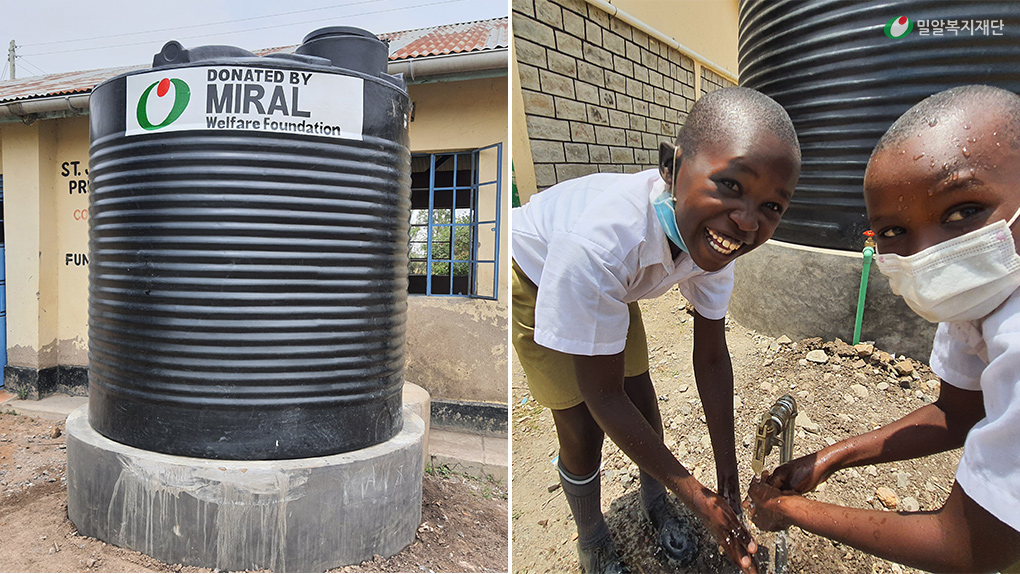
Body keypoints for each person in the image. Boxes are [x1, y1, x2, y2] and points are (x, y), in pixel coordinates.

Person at [512, 86, 801, 574]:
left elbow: (711, 359)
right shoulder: (601, 244)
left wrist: (726, 485)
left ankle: (656, 504)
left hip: (615, 286)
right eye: (731, 185)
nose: (747, 222)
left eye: (772, 206)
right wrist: (698, 498)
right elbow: (600, 393)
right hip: (539, 275)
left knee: (642, 400)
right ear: (672, 166)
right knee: (582, 426)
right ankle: (592, 538)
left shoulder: (720, 240)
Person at [745, 85, 1020, 573]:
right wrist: (828, 459)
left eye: (963, 212)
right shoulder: (979, 298)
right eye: (893, 232)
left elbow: (970, 546)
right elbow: (957, 413)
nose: (926, 254)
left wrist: (787, 510)